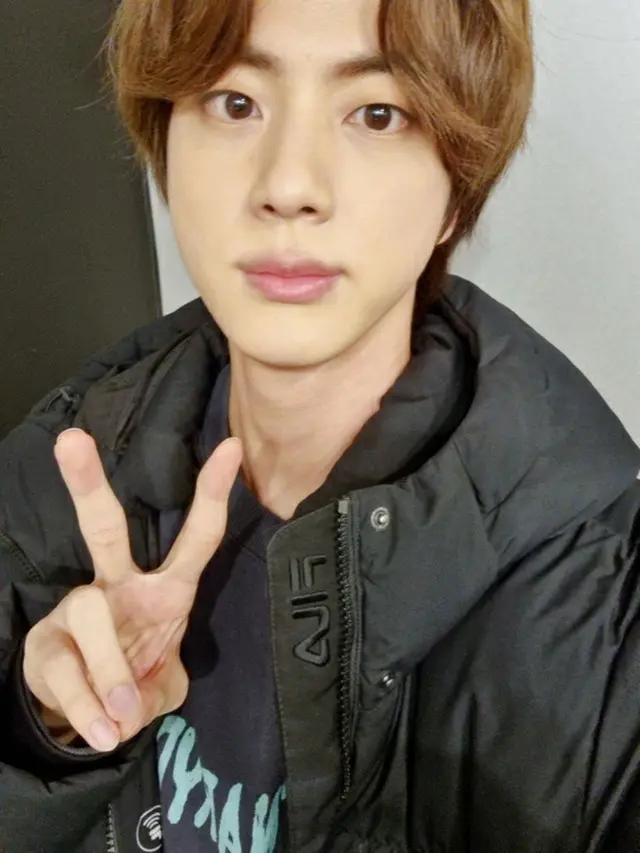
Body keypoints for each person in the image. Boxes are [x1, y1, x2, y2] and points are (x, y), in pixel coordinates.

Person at [0, 0, 639, 851]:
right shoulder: (65, 464)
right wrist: (47, 728)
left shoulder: (602, 598)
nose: (289, 186)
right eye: (235, 102)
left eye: (377, 114)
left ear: (455, 194)